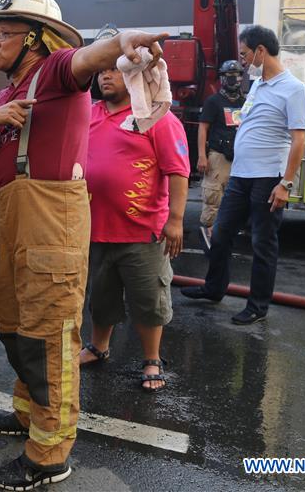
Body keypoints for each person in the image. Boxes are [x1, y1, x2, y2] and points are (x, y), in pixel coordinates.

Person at [0, 0, 167, 489]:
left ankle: (49, 456)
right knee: (16, 324)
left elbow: (86, 59)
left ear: (35, 39)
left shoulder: (55, 71)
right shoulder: (5, 93)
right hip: (14, 217)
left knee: (49, 336)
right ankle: (26, 413)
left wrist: (121, 43)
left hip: (50, 221)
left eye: (5, 32)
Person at [181, 25, 305, 325]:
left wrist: (285, 183)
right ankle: (214, 288)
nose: (242, 61)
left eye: (245, 54)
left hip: (268, 178)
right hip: (241, 176)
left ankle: (258, 306)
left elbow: (299, 140)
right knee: (221, 233)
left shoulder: (293, 89)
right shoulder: (258, 86)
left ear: (261, 51)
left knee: (262, 243)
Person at [78, 64, 189, 393]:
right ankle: (99, 347)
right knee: (101, 297)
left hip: (143, 232)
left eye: (114, 71)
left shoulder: (156, 116)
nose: (105, 76)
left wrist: (176, 220)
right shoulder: (89, 113)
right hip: (96, 229)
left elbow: (178, 170)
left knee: (149, 300)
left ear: (134, 76)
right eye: (101, 71)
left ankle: (152, 359)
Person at [197, 60, 245, 250]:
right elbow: (203, 128)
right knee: (213, 197)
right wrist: (202, 155)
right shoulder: (213, 101)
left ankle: (225, 237)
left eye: (236, 75)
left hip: (239, 158)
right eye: (228, 76)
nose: (233, 79)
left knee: (234, 200)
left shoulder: (245, 102)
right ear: (222, 78)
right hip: (218, 156)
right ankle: (210, 239)